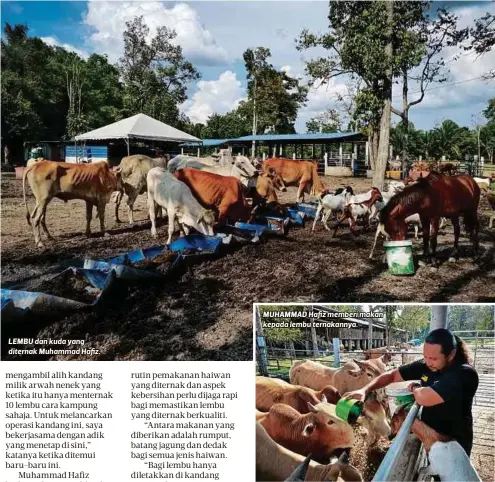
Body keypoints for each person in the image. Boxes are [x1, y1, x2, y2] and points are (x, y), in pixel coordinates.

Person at [344, 328, 479, 456]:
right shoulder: (426, 365)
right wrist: (364, 389)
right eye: (425, 356)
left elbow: (424, 398)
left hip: (452, 441)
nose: (428, 362)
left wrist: (415, 388)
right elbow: (392, 375)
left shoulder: (464, 373)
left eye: (433, 358)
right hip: (430, 438)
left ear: (451, 354)